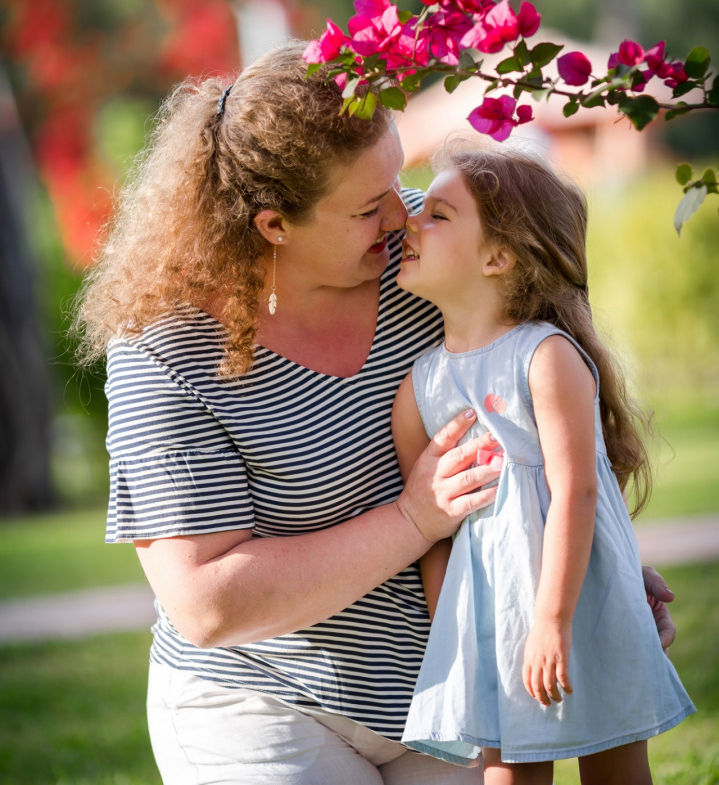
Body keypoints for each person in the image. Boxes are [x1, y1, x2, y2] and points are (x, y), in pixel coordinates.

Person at [75, 42, 677, 785]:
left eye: (400, 178)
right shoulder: (163, 354)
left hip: (453, 681)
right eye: (367, 207)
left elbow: (548, 398)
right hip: (264, 702)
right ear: (274, 226)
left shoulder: (435, 251)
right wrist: (414, 518)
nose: (403, 213)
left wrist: (589, 573)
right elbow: (206, 602)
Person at [391, 145, 695, 784]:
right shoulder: (420, 387)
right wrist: (459, 637)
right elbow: (432, 538)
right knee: (508, 773)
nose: (411, 221)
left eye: (440, 215)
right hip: (492, 619)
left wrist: (553, 620)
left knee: (614, 762)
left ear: (497, 258)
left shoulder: (544, 356)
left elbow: (577, 491)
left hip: (579, 598)